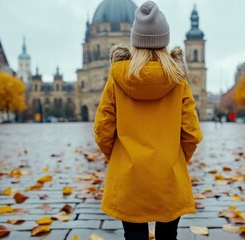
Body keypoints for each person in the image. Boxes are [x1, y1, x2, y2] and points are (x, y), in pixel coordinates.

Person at [93, 1, 203, 239]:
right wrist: (176, 159)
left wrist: (119, 158)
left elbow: (102, 131)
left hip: (128, 178)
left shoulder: (117, 77)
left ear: (135, 40)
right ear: (164, 41)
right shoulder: (178, 80)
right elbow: (192, 133)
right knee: (168, 236)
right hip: (169, 176)